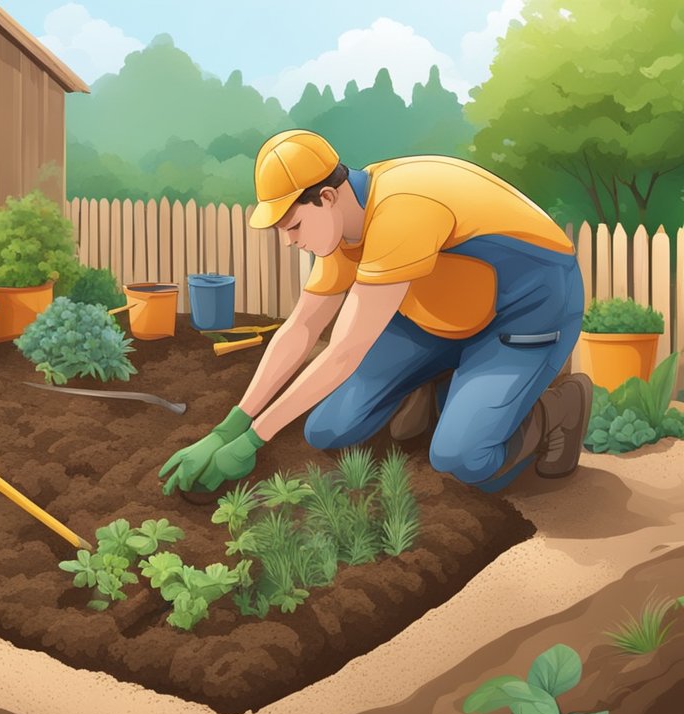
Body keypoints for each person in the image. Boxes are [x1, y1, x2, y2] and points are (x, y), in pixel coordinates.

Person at [159, 129, 592, 497]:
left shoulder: (402, 211)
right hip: (435, 315)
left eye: (292, 227)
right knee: (325, 431)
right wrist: (229, 427)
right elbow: (302, 327)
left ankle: (560, 408)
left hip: (526, 309)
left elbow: (344, 352)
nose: (290, 242)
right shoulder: (340, 226)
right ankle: (442, 388)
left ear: (327, 196)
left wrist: (255, 439)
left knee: (464, 459)